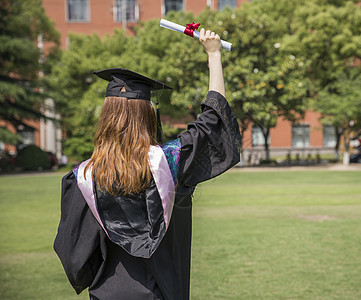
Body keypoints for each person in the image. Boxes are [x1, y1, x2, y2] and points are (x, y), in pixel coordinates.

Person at [54, 28, 241, 300]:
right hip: (158, 292)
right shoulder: (168, 162)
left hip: (107, 292)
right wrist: (214, 55)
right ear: (147, 116)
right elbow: (212, 122)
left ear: (106, 116)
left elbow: (72, 249)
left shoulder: (84, 176)